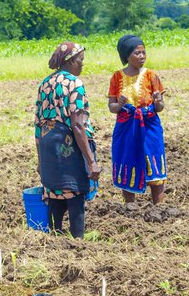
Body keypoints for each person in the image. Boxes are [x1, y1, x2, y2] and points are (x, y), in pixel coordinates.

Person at [34, 41, 101, 238]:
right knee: (75, 192)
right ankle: (77, 242)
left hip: (47, 143)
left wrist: (39, 158)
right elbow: (78, 125)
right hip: (67, 145)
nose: (82, 65)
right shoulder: (74, 84)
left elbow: (38, 125)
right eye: (80, 61)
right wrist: (91, 161)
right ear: (70, 61)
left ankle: (54, 239)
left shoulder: (45, 83)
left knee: (55, 193)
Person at [107, 35, 166, 203]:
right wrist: (119, 105)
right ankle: (130, 207)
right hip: (126, 127)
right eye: (137, 53)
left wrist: (158, 101)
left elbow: (160, 108)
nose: (142, 56)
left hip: (149, 125)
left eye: (143, 53)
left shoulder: (151, 76)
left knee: (153, 160)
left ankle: (159, 208)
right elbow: (111, 107)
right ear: (127, 55)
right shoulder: (117, 77)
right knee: (127, 159)